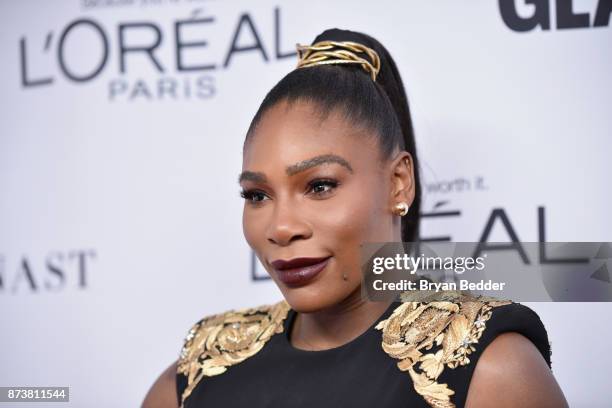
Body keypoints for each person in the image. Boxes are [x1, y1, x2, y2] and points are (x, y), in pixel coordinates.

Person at [142, 28, 568, 408]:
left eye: (320, 186)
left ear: (399, 182)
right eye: (257, 194)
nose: (281, 228)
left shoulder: (490, 370)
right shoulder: (199, 370)